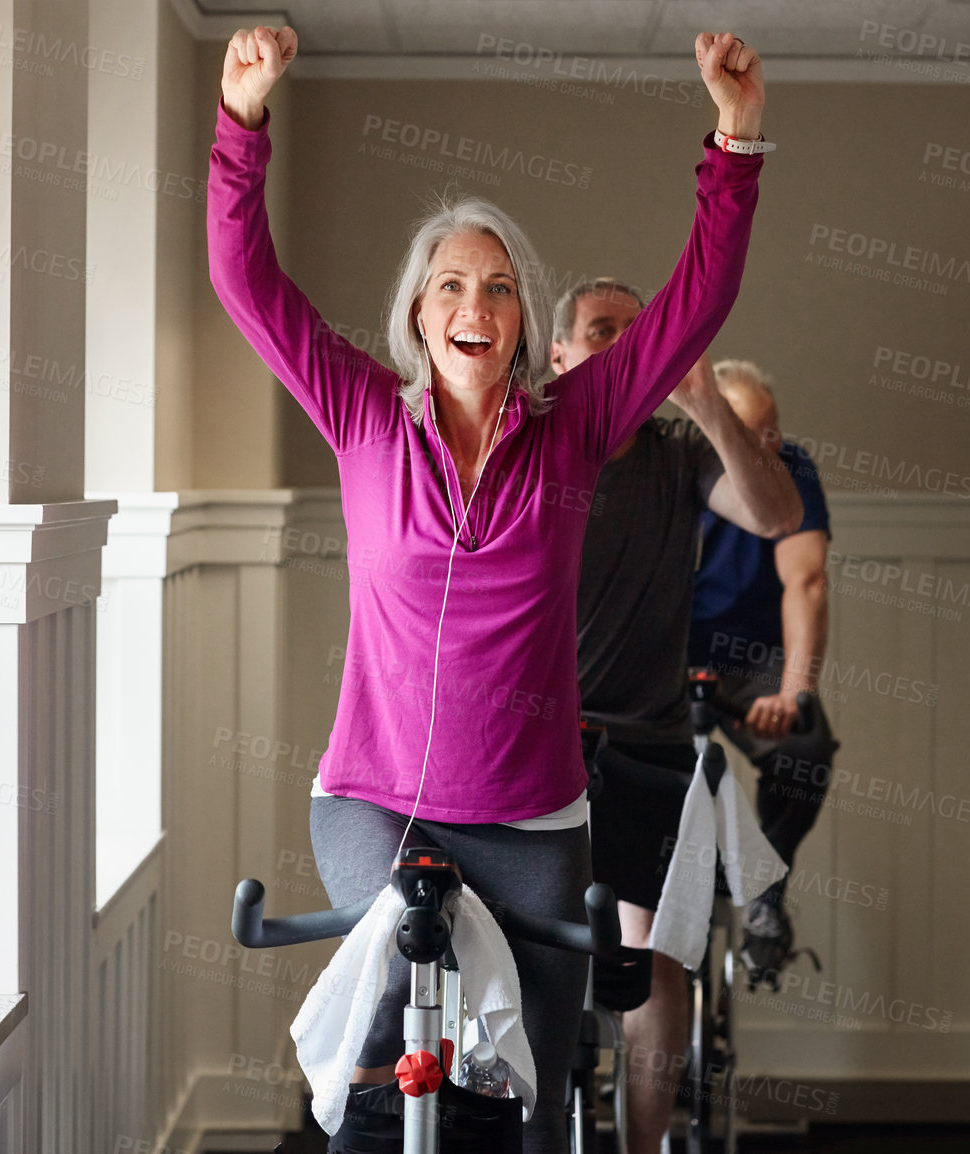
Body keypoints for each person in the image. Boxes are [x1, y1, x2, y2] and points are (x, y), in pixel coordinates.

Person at [209, 24, 768, 1153]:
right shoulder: (363, 412)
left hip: (531, 811)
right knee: (386, 1052)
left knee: (536, 1082)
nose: (477, 301)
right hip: (374, 798)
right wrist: (241, 121)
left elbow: (694, 303)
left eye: (502, 288)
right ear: (421, 313)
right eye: (453, 283)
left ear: (520, 325)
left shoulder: (578, 431)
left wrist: (735, 141)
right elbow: (244, 281)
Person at [557, 284, 801, 1154]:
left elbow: (777, 514)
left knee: (659, 964)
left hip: (652, 748)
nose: (622, 344)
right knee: (528, 958)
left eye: (637, 330)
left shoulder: (679, 452)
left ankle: (641, 1147)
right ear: (560, 358)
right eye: (600, 331)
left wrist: (701, 400)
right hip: (540, 747)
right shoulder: (538, 444)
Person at [689, 359, 839, 992]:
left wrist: (794, 692)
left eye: (773, 430)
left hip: (751, 657)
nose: (769, 447)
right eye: (754, 436)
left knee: (804, 749)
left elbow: (805, 580)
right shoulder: (674, 467)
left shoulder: (791, 468)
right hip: (668, 655)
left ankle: (762, 889)